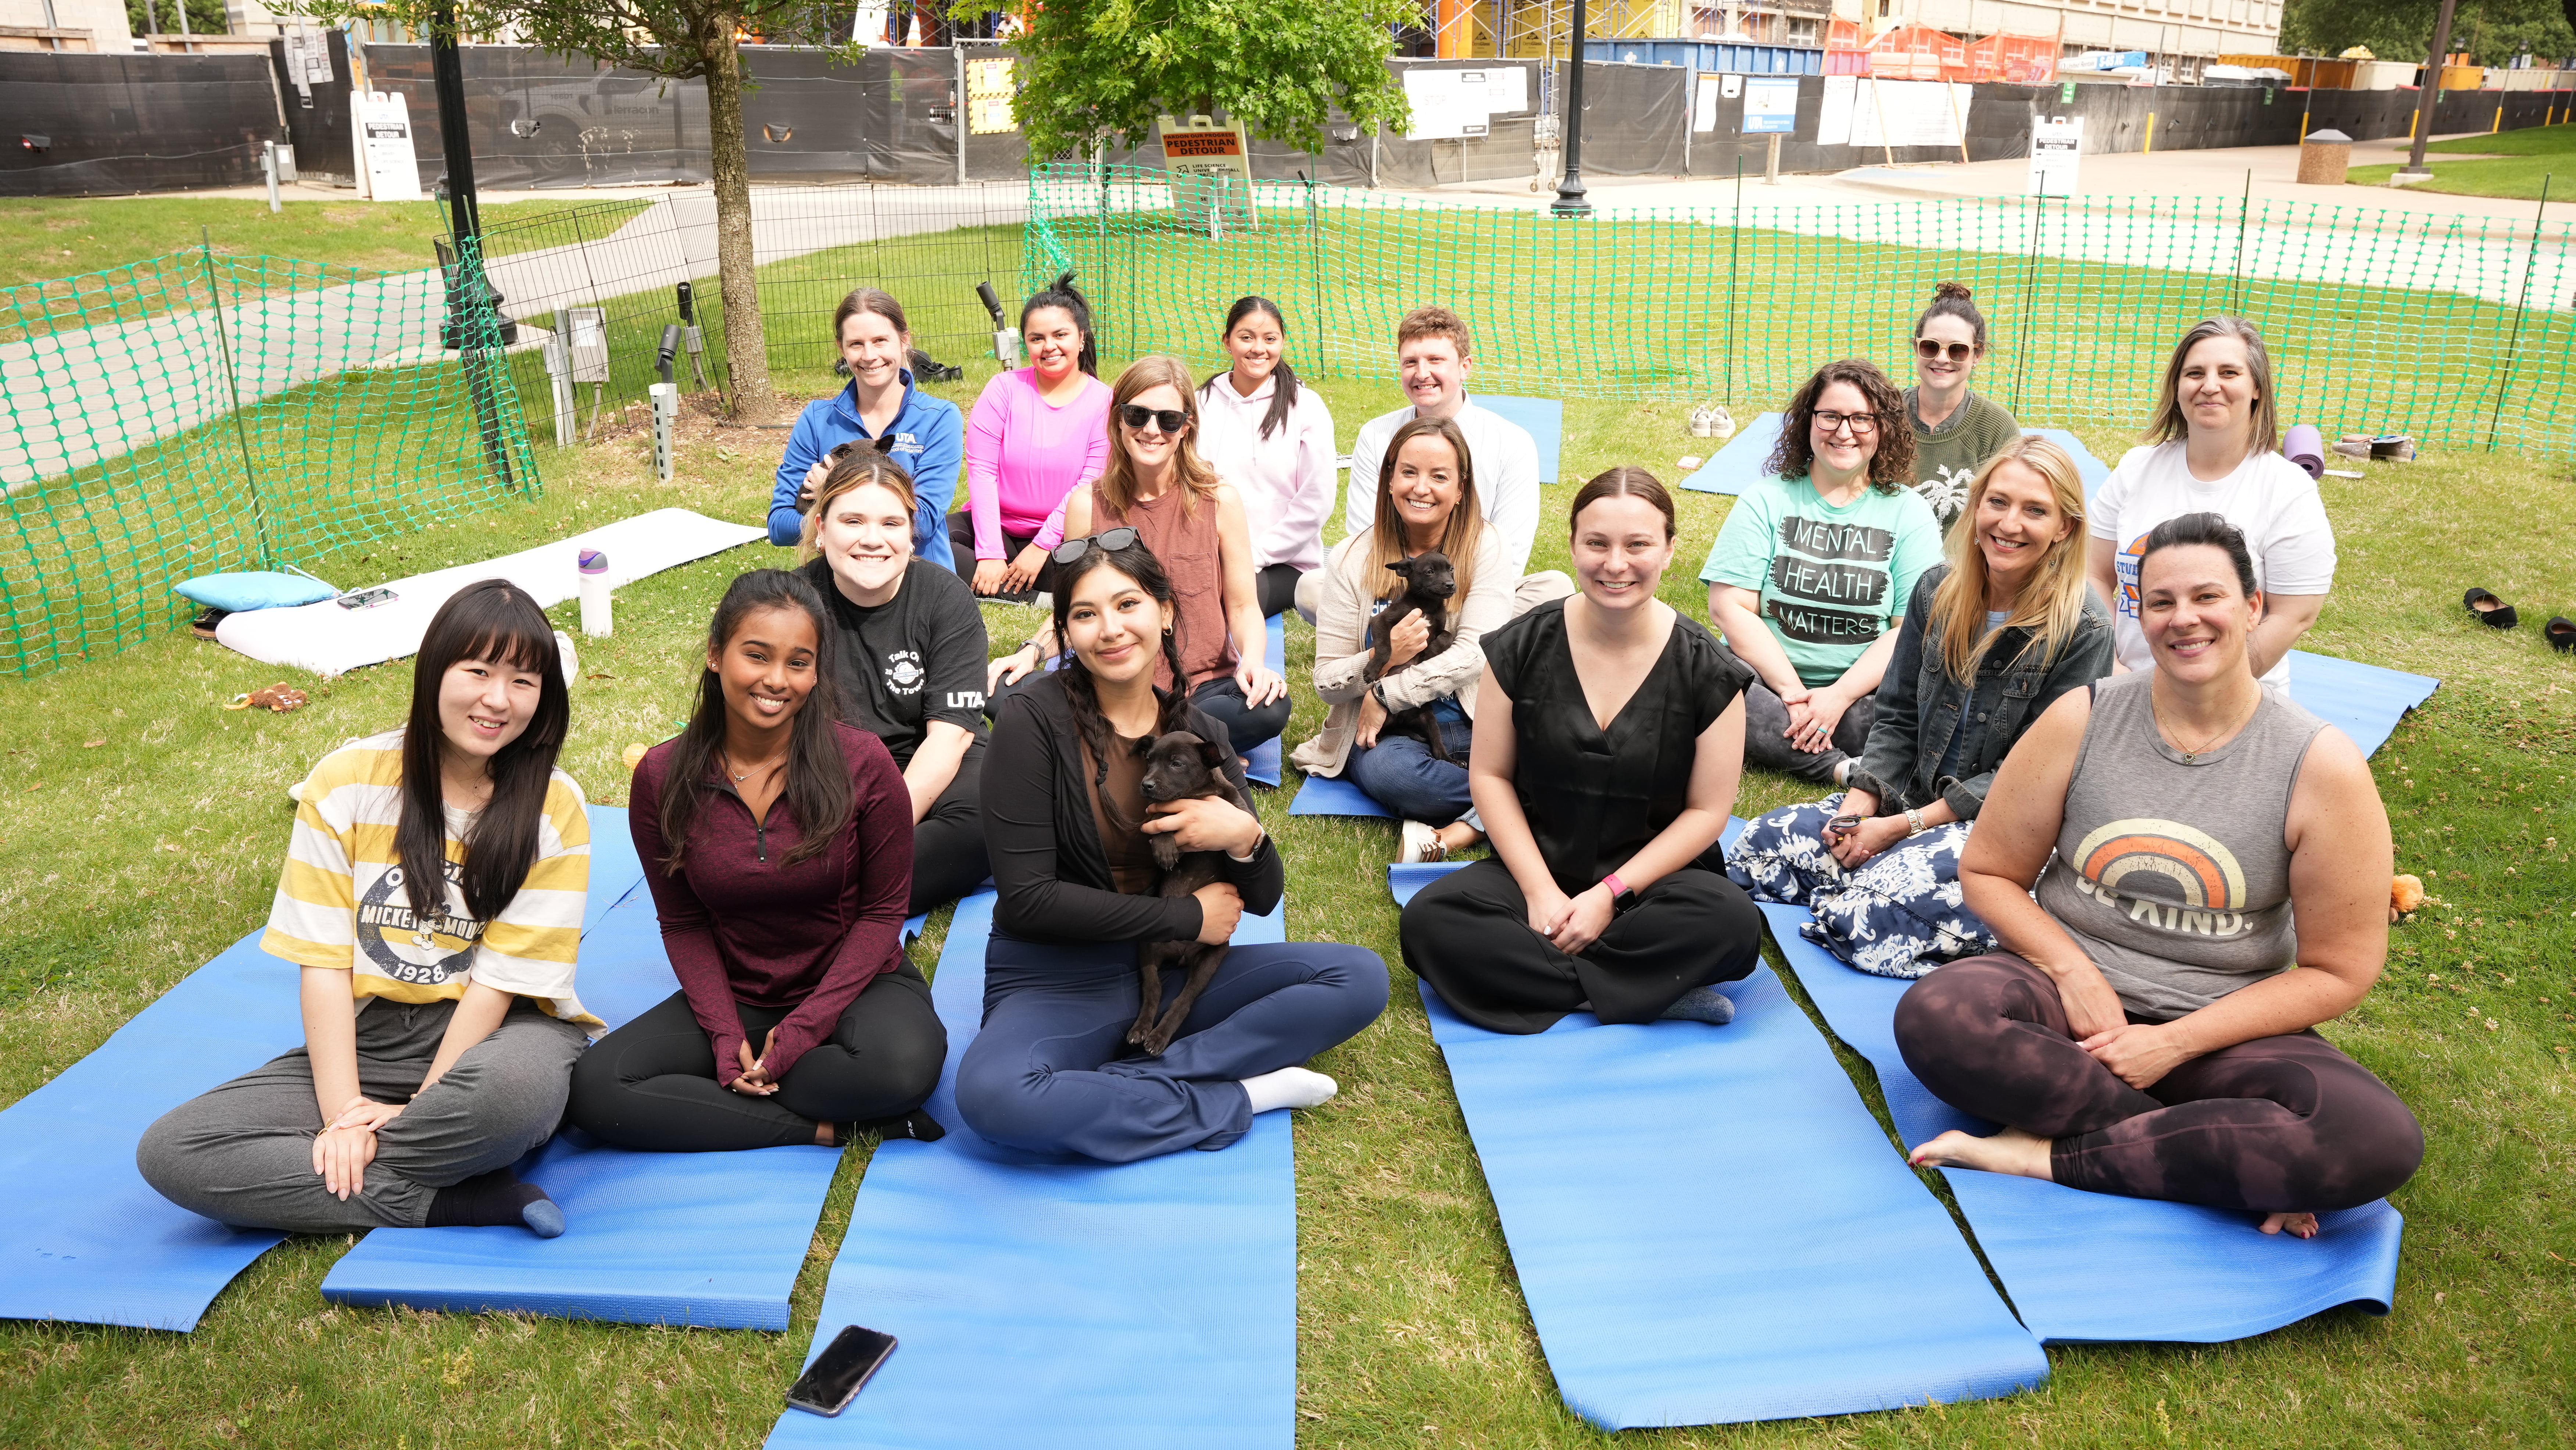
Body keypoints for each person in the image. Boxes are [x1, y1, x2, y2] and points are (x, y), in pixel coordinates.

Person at [1899, 514, 2421, 1235]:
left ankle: (2042, 1156)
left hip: (2225, 1029)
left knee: (2370, 1138)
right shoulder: (2080, 718)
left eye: (2207, 597)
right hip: (2068, 1007)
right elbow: (1988, 870)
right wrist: (2075, 973)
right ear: (2138, 616)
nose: (2185, 619)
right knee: (1940, 1019)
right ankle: (2218, 1154)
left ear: (2252, 607)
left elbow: (2340, 970)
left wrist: (2174, 1042)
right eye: (2161, 602)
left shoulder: (2321, 765)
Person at [138, 581, 595, 1237]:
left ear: (545, 696)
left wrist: (415, 1108)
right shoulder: (347, 779)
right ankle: (457, 1196)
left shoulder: (555, 805)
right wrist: (344, 1110)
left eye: (524, 680)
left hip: (496, 1032)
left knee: (510, 1101)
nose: (498, 698)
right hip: (373, 1033)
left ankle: (404, 1157)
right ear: (433, 670)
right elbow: (321, 958)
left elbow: (498, 981)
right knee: (174, 1151)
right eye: (477, 671)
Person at [956, 533, 1389, 1161]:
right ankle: (1235, 1094)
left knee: (1358, 976)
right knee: (995, 1098)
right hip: (1057, 979)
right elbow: (1027, 901)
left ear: (1163, 609)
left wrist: (1246, 836)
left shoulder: (1199, 731)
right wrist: (1186, 916)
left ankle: (1144, 1075)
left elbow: (1263, 898)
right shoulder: (1031, 719)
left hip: (1176, 976)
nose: (1110, 628)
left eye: (1126, 604)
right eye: (1085, 613)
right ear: (1066, 632)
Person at [567, 570, 943, 1152]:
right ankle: (819, 1130)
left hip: (857, 986)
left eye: (798, 662)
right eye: (757, 656)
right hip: (740, 993)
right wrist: (721, 1032)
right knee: (598, 1087)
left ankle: (725, 1099)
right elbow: (684, 921)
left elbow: (883, 912)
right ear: (716, 656)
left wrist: (801, 1033)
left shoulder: (864, 763)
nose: (776, 680)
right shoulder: (663, 777)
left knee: (897, 1070)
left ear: (817, 671)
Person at [1399, 468, 1767, 1034]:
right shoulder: (1519, 646)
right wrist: (1540, 891)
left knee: (1731, 922)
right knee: (1431, 921)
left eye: (1638, 545)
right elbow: (1491, 776)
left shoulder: (1707, 671)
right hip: (1539, 868)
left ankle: (1558, 981)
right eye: (1597, 543)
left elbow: (1707, 813)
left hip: (1651, 886)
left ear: (1669, 550)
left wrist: (1609, 895)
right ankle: (1641, 992)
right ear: (1572, 545)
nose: (1615, 564)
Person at [1729, 437, 2114, 978]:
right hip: (1913, 796)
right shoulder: (1937, 590)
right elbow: (1898, 719)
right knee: (1758, 849)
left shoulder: (2085, 628)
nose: (2009, 524)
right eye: (1998, 502)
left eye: (2036, 511)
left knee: (1866, 916)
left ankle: (1942, 896)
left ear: (2064, 528)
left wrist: (1905, 828)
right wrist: (1858, 810)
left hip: (2004, 832)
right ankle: (1897, 877)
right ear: (1977, 505)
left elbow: (2029, 778)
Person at [989, 355, 1292, 756]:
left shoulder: (1220, 501)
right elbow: (1070, 607)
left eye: (1168, 419)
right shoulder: (1086, 505)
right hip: (1111, 685)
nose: (1152, 430)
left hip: (1202, 687)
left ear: (1186, 428)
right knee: (1001, 690)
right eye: (1137, 415)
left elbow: (1242, 605)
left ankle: (1125, 746)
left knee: (1269, 709)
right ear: (1118, 421)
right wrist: (1031, 651)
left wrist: (1253, 661)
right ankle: (1179, 750)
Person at [1702, 358, 1944, 785]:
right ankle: (1840, 766)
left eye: (1861, 419)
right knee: (1702, 677)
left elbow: (1911, 629)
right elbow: (1729, 607)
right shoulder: (1765, 499)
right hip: (1765, 684)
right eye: (1830, 416)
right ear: (1808, 421)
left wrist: (1838, 696)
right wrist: (1794, 694)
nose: (1844, 430)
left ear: (1883, 427)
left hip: (1864, 694)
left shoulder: (1910, 512)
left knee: (1921, 706)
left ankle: (1798, 744)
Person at [1291, 415, 1510, 864]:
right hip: (1394, 736)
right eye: (1409, 472)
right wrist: (1381, 658)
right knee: (1396, 777)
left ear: (1461, 487)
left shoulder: (1485, 545)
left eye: (1439, 476)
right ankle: (1524, 797)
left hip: (1471, 714)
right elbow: (1325, 681)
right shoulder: (1354, 558)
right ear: (1389, 478)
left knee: (1553, 739)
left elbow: (1475, 653)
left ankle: (1467, 826)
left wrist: (1389, 692)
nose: (1421, 487)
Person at [797, 446, 992, 917]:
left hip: (932, 759)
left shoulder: (946, 598)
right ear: (822, 530)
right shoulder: (794, 604)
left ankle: (826, 899)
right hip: (833, 767)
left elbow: (948, 740)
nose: (873, 540)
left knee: (987, 819)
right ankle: (831, 893)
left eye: (890, 523)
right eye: (853, 521)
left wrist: (885, 833)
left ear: (911, 534)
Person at [2088, 315, 2333, 688]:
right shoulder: (2137, 467)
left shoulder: (2288, 489)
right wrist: (2114, 667)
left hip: (2233, 703)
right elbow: (2092, 573)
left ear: (2256, 389)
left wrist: (2202, 692)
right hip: (2124, 687)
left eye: (2229, 373)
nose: (2210, 386)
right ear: (2177, 386)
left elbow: (2293, 615)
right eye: (2195, 373)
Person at [1298, 305, 1570, 621]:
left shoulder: (1512, 442)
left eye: (1436, 360)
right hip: (1397, 592)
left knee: (1555, 589)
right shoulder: (1376, 434)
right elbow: (1365, 534)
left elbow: (1509, 554)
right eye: (1411, 362)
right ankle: (1455, 641)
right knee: (1311, 589)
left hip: (1476, 593)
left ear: (1465, 366)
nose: (1422, 373)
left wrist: (1453, 597)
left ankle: (1453, 636)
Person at [769, 288, 965, 570]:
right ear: (842, 348)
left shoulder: (939, 417)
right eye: (856, 344)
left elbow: (923, 520)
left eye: (880, 341)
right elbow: (779, 526)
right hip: (842, 584)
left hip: (922, 577)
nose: (870, 355)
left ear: (904, 341)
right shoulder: (817, 419)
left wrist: (833, 489)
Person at [951, 272, 1114, 603]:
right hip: (999, 528)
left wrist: (1041, 547)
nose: (1048, 346)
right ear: (1025, 342)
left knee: (1099, 566)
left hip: (1066, 536)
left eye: (1060, 335)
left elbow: (1089, 484)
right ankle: (1030, 595)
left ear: (1081, 338)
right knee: (925, 542)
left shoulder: (1104, 401)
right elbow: (981, 471)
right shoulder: (1004, 389)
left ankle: (1012, 588)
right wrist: (990, 553)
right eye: (1036, 338)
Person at [1196, 296, 1336, 618]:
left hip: (1283, 562)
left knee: (1217, 611)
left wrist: (1254, 555)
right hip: (1210, 555)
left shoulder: (1306, 406)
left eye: (1270, 339)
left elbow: (1317, 500)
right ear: (1227, 342)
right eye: (1247, 337)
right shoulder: (1200, 403)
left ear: (1282, 343)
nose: (1259, 348)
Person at [1904, 281, 2022, 529]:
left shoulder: (1998, 428)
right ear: (1916, 347)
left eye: (1958, 350)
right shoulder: (1884, 412)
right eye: (1930, 346)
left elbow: (2010, 512)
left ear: (1977, 355)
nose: (1942, 359)